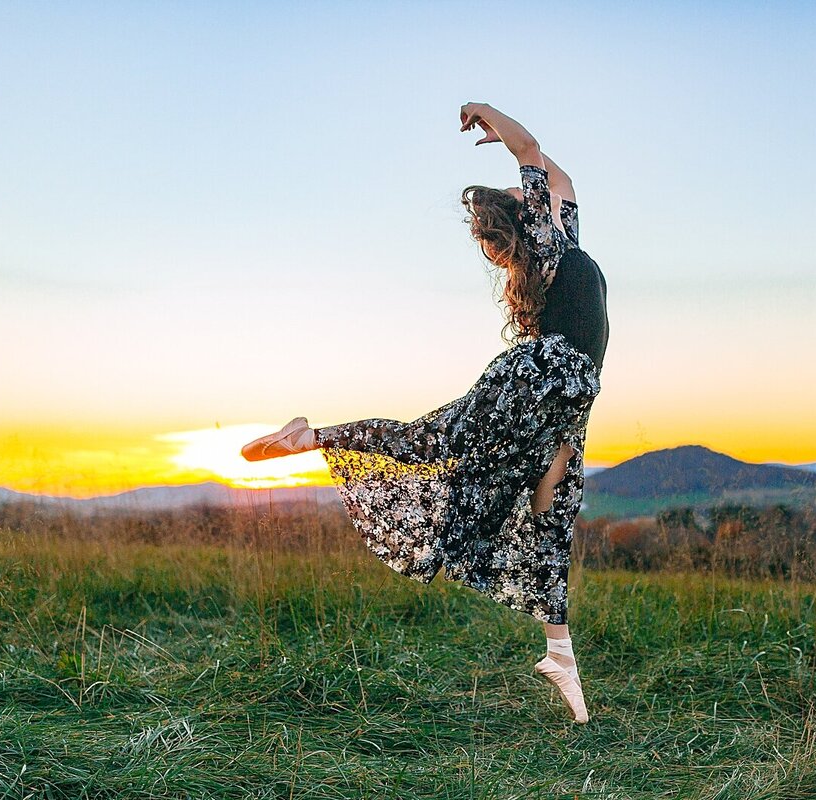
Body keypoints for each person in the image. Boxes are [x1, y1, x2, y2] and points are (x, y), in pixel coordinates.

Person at [241, 102, 609, 724]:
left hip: (568, 392)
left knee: (554, 512)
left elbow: (550, 170)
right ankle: (311, 437)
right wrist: (504, 131)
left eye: (492, 245)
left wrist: (497, 128)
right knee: (436, 443)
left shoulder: (559, 238)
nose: (495, 258)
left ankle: (559, 655)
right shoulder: (549, 249)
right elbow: (535, 157)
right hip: (545, 378)